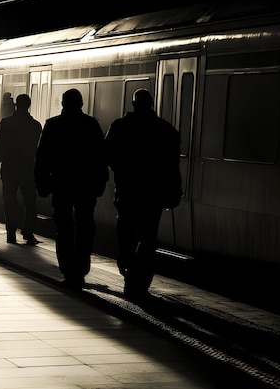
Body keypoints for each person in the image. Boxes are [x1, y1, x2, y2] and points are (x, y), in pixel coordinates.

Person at [105, 88, 182, 301]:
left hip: (127, 191)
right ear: (151, 104)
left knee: (126, 233)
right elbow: (172, 164)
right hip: (154, 194)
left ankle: (127, 268)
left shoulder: (119, 127)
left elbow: (108, 156)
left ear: (133, 104)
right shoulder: (166, 130)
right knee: (149, 237)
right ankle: (142, 280)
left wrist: (123, 169)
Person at [34, 88, 108, 291]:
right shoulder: (91, 125)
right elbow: (101, 157)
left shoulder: (53, 125)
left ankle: (68, 271)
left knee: (64, 228)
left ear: (62, 103)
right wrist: (100, 182)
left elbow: (42, 158)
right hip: (86, 186)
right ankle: (81, 270)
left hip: (62, 185)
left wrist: (42, 183)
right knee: (84, 227)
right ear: (81, 104)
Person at [0, 94, 42, 245]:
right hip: (28, 169)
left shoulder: (6, 123)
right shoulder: (35, 126)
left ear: (16, 105)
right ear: (29, 105)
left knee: (9, 201)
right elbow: (39, 150)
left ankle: (11, 232)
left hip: (9, 168)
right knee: (30, 201)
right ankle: (28, 231)